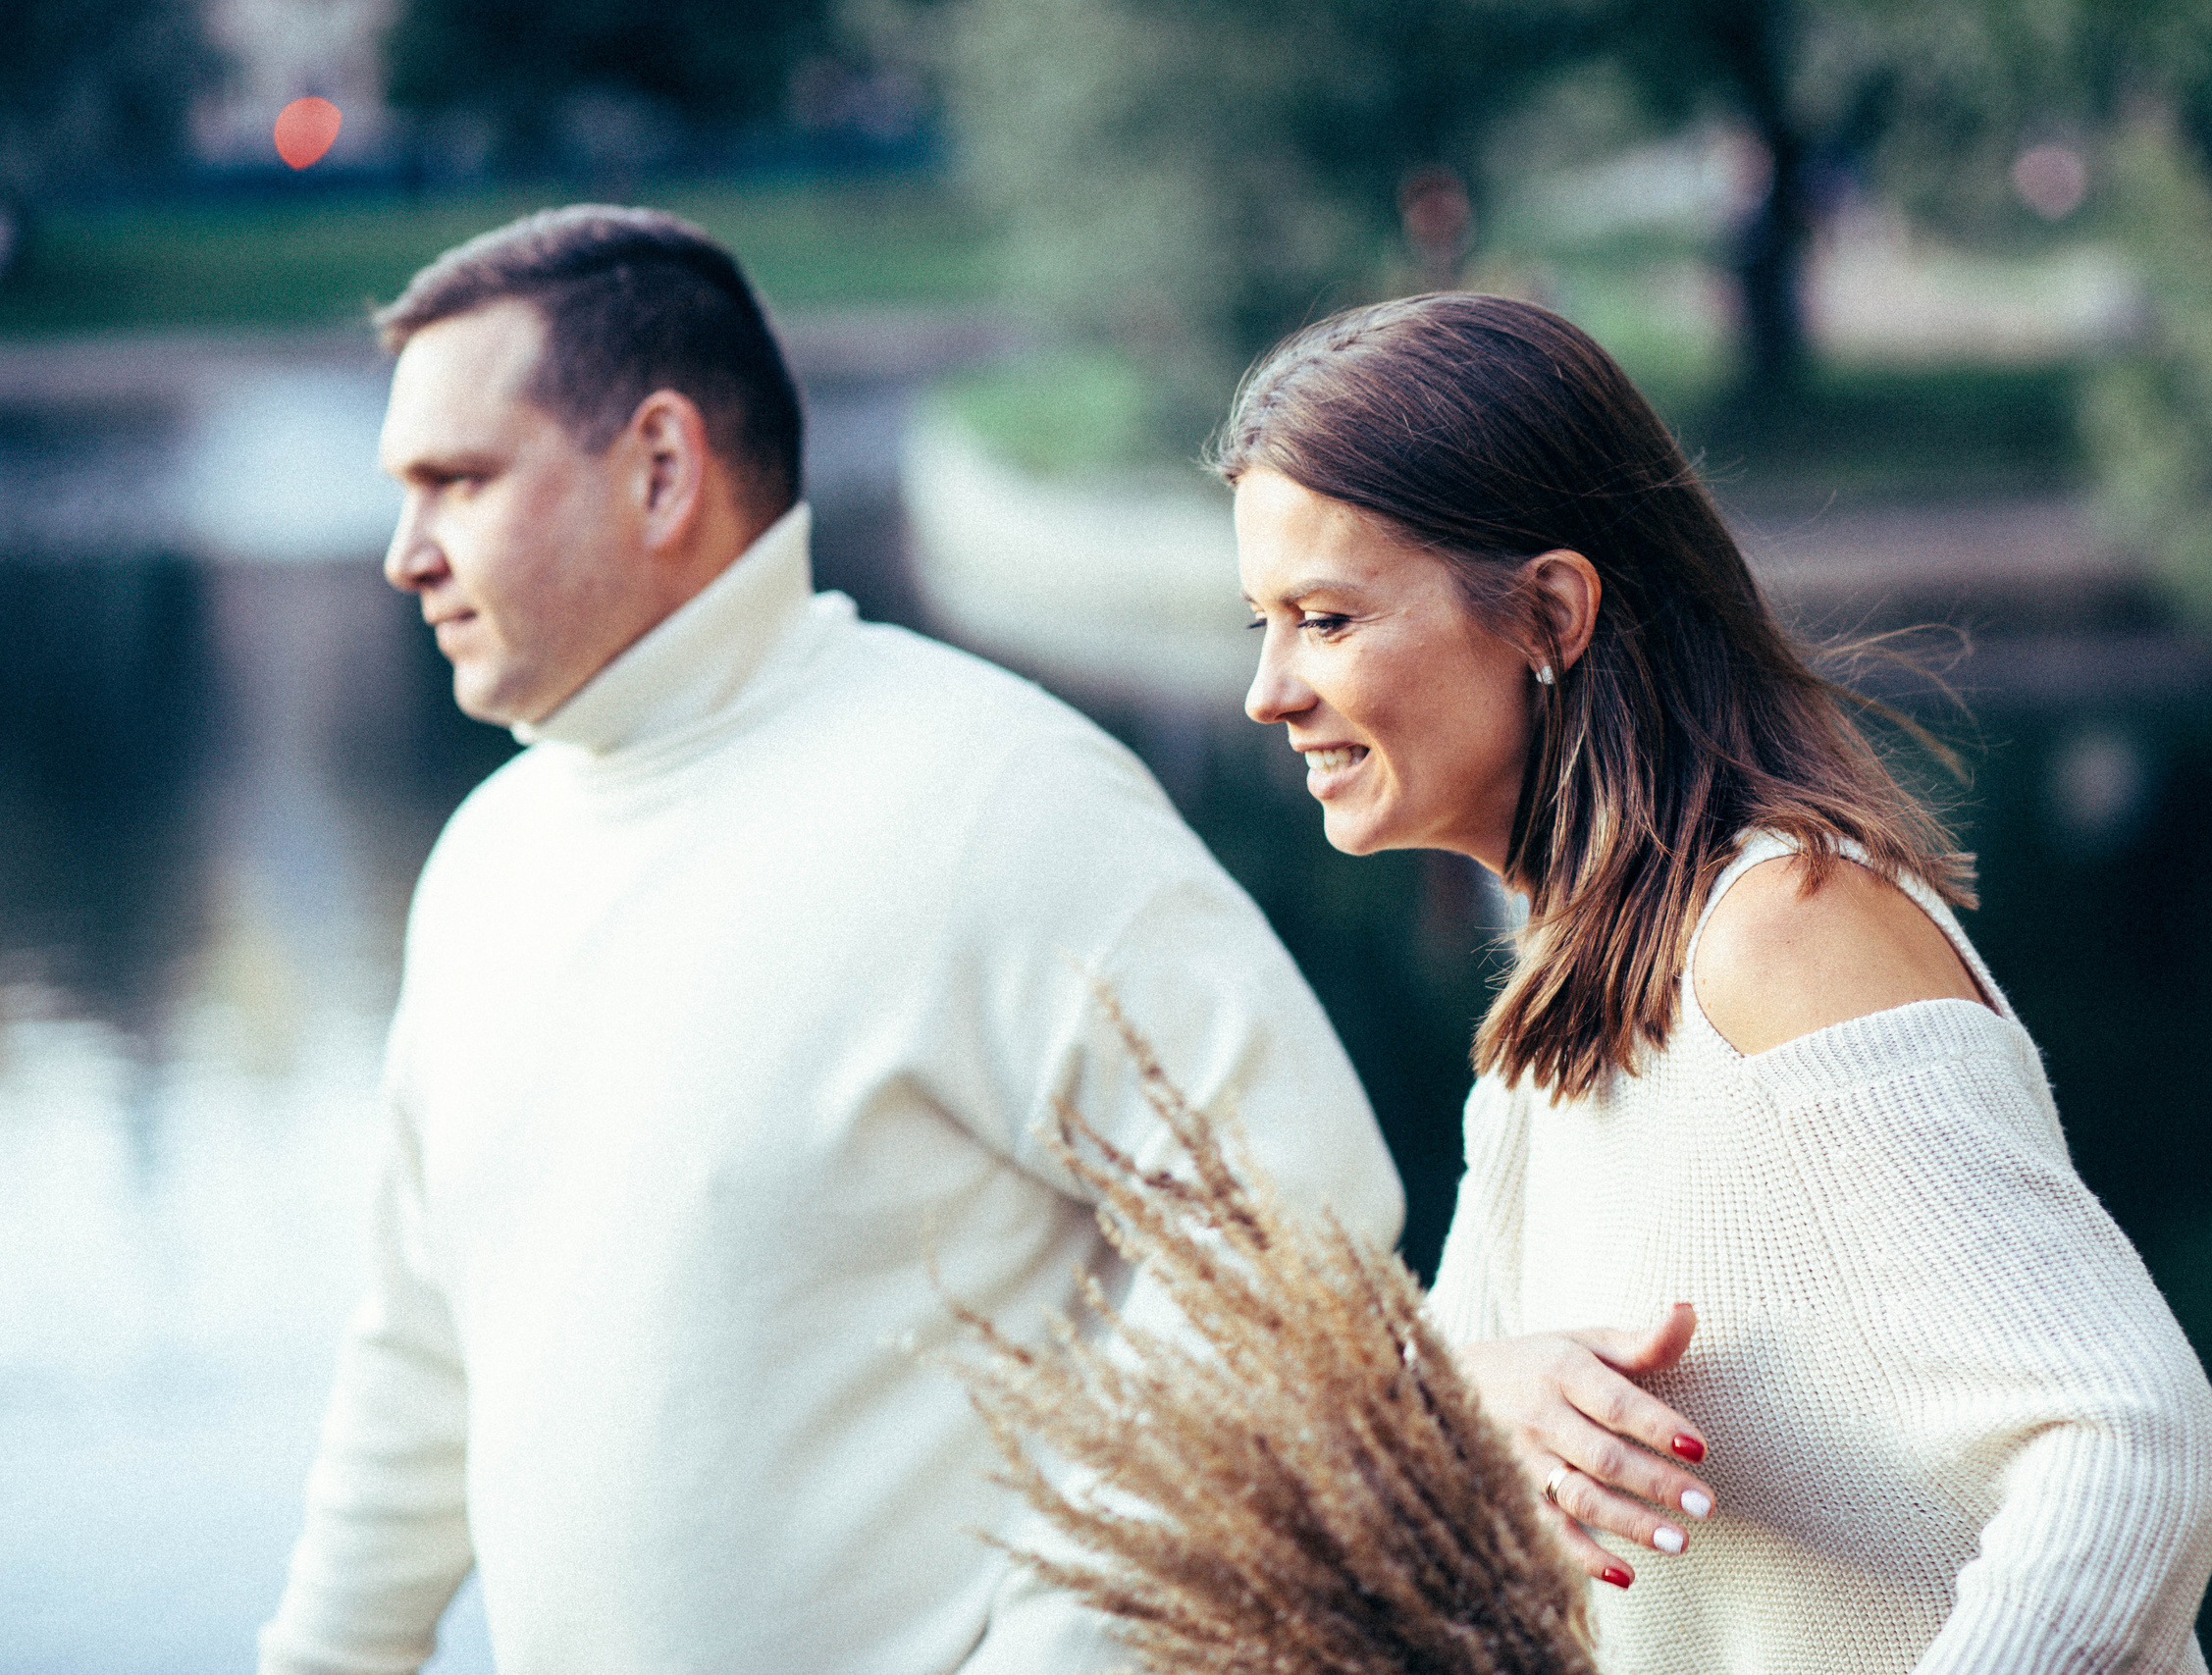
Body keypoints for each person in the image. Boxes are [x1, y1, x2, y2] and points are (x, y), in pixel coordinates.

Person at [257, 205, 1403, 1675]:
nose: (406, 553)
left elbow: (1294, 1233)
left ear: (662, 467)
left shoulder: (994, 796)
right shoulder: (485, 860)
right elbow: (419, 1363)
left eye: (459, 481)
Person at [1222, 292, 2212, 1674]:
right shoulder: (1562, 1001)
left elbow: (2137, 1448)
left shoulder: (1783, 933)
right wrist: (1462, 1397)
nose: (1268, 690)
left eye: (1324, 619)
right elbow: (1430, 1462)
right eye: (1260, 625)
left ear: (1551, 611)